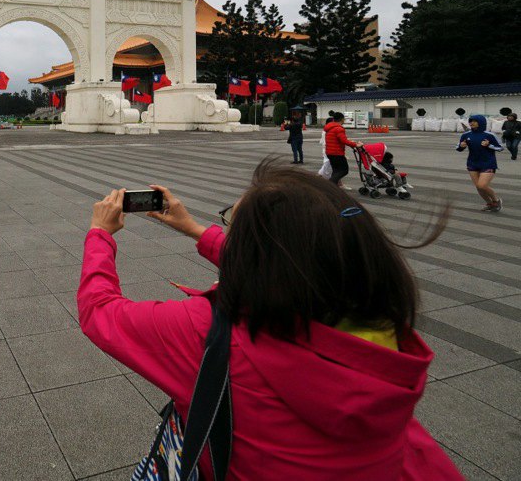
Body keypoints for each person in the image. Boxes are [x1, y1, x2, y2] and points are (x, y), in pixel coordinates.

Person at [78, 162, 459, 479]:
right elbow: (290, 270)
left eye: (234, 228)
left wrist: (100, 235)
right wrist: (194, 228)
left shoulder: (210, 332)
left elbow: (100, 312)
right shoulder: (373, 317)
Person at [457, 114, 503, 212]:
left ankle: (496, 201)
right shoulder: (466, 135)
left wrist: (489, 145)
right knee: (479, 187)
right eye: (470, 121)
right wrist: (462, 146)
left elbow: (500, 147)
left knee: (482, 185)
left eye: (474, 121)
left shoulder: (489, 135)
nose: (471, 123)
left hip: (488, 163)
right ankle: (490, 204)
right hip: (472, 163)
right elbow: (458, 148)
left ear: (481, 122)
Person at [324, 113, 362, 186]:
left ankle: (333, 187)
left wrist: (350, 142)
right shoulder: (339, 128)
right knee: (344, 170)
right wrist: (356, 145)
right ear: (342, 119)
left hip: (330, 152)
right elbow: (343, 141)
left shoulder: (329, 127)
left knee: (336, 171)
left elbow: (338, 139)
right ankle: (330, 184)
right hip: (337, 153)